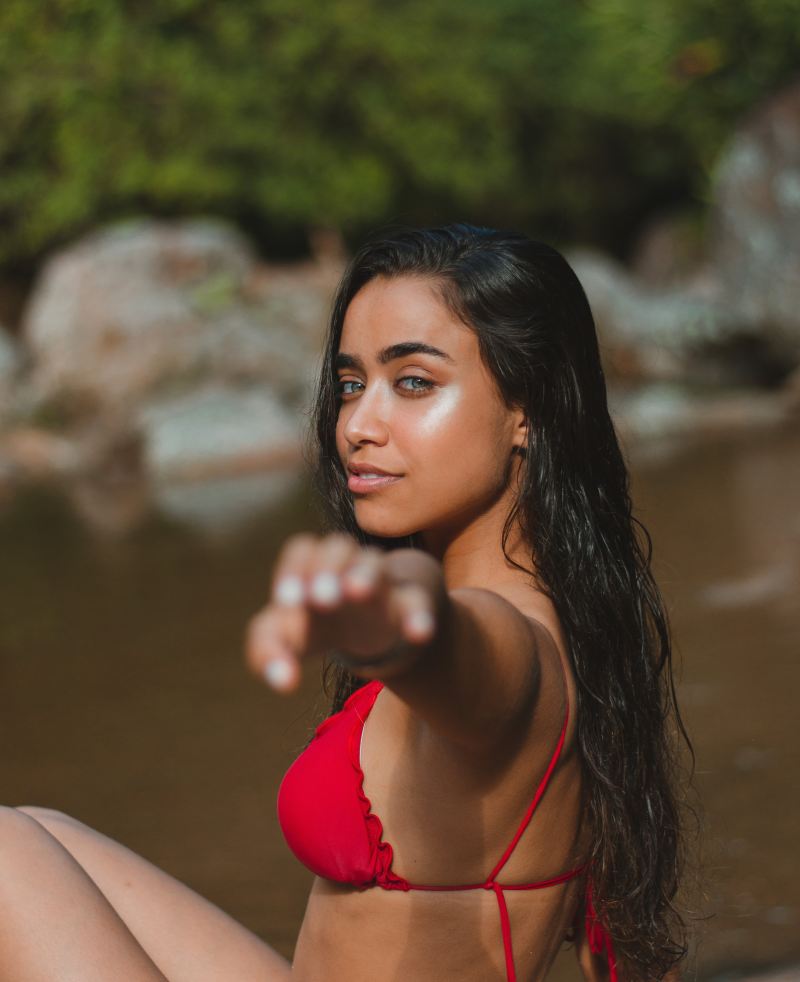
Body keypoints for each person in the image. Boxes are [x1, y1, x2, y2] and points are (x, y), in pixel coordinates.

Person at [0, 223, 690, 981]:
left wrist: (400, 629)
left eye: (414, 383)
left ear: (526, 410)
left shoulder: (515, 642)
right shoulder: (572, 616)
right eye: (354, 383)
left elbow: (469, 662)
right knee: (40, 831)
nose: (357, 425)